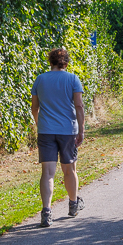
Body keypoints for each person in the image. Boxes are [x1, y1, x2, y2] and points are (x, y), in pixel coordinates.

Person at [30, 47, 86, 227]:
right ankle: (73, 205)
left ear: (50, 62)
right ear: (66, 63)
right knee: (69, 170)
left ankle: (46, 212)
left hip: (46, 130)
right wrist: (81, 129)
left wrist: (39, 123)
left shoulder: (40, 79)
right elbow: (79, 106)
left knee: (47, 173)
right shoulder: (73, 79)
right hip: (67, 131)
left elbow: (34, 107)